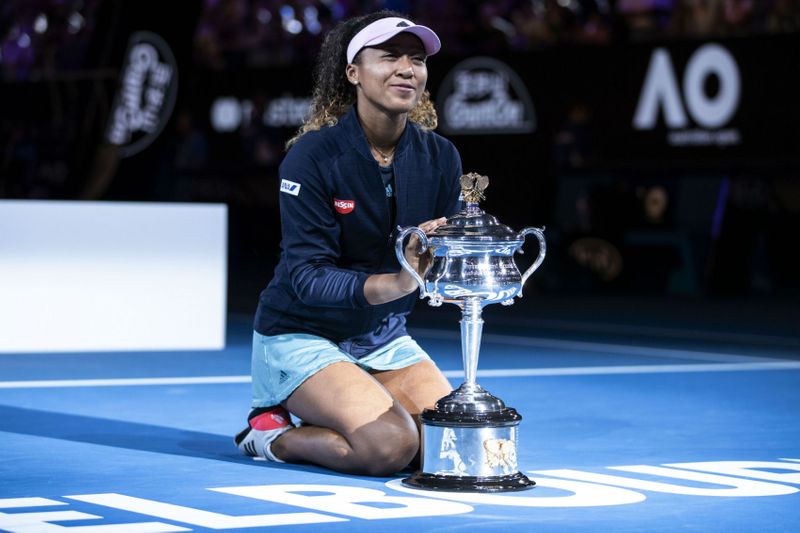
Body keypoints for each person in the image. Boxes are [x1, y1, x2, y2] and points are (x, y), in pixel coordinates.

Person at [234, 10, 464, 476]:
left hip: (382, 337)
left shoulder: (440, 157)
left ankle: (349, 400)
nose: (406, 68)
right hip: (301, 334)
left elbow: (445, 254)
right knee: (388, 448)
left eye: (416, 59)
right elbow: (305, 278)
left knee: (448, 445)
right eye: (390, 57)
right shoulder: (312, 157)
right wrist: (399, 283)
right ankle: (271, 435)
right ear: (353, 72)